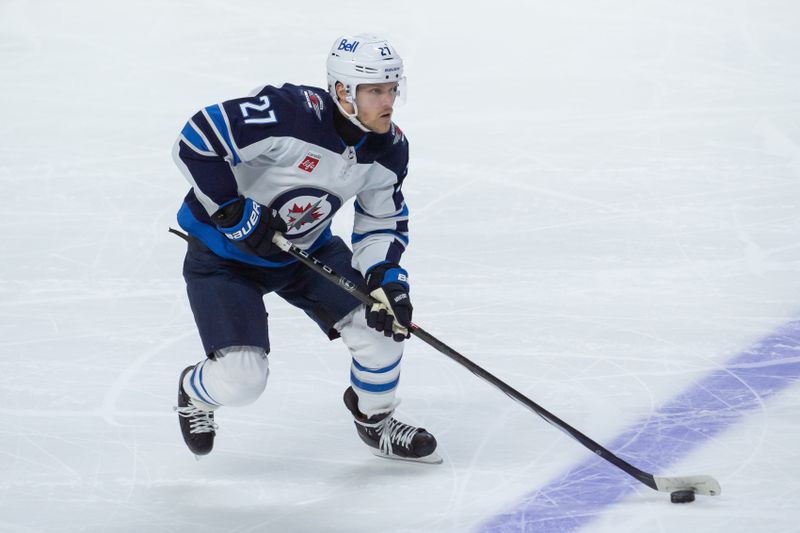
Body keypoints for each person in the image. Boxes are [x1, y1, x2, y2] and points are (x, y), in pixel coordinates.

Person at [171, 34, 440, 464]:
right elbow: (198, 139)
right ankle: (194, 391)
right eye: (374, 91)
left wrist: (386, 275)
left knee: (382, 332)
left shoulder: (389, 148)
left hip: (304, 251)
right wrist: (232, 211)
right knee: (242, 381)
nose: (387, 101)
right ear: (341, 92)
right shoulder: (290, 114)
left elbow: (381, 220)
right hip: (223, 258)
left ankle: (375, 421)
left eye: (392, 89)